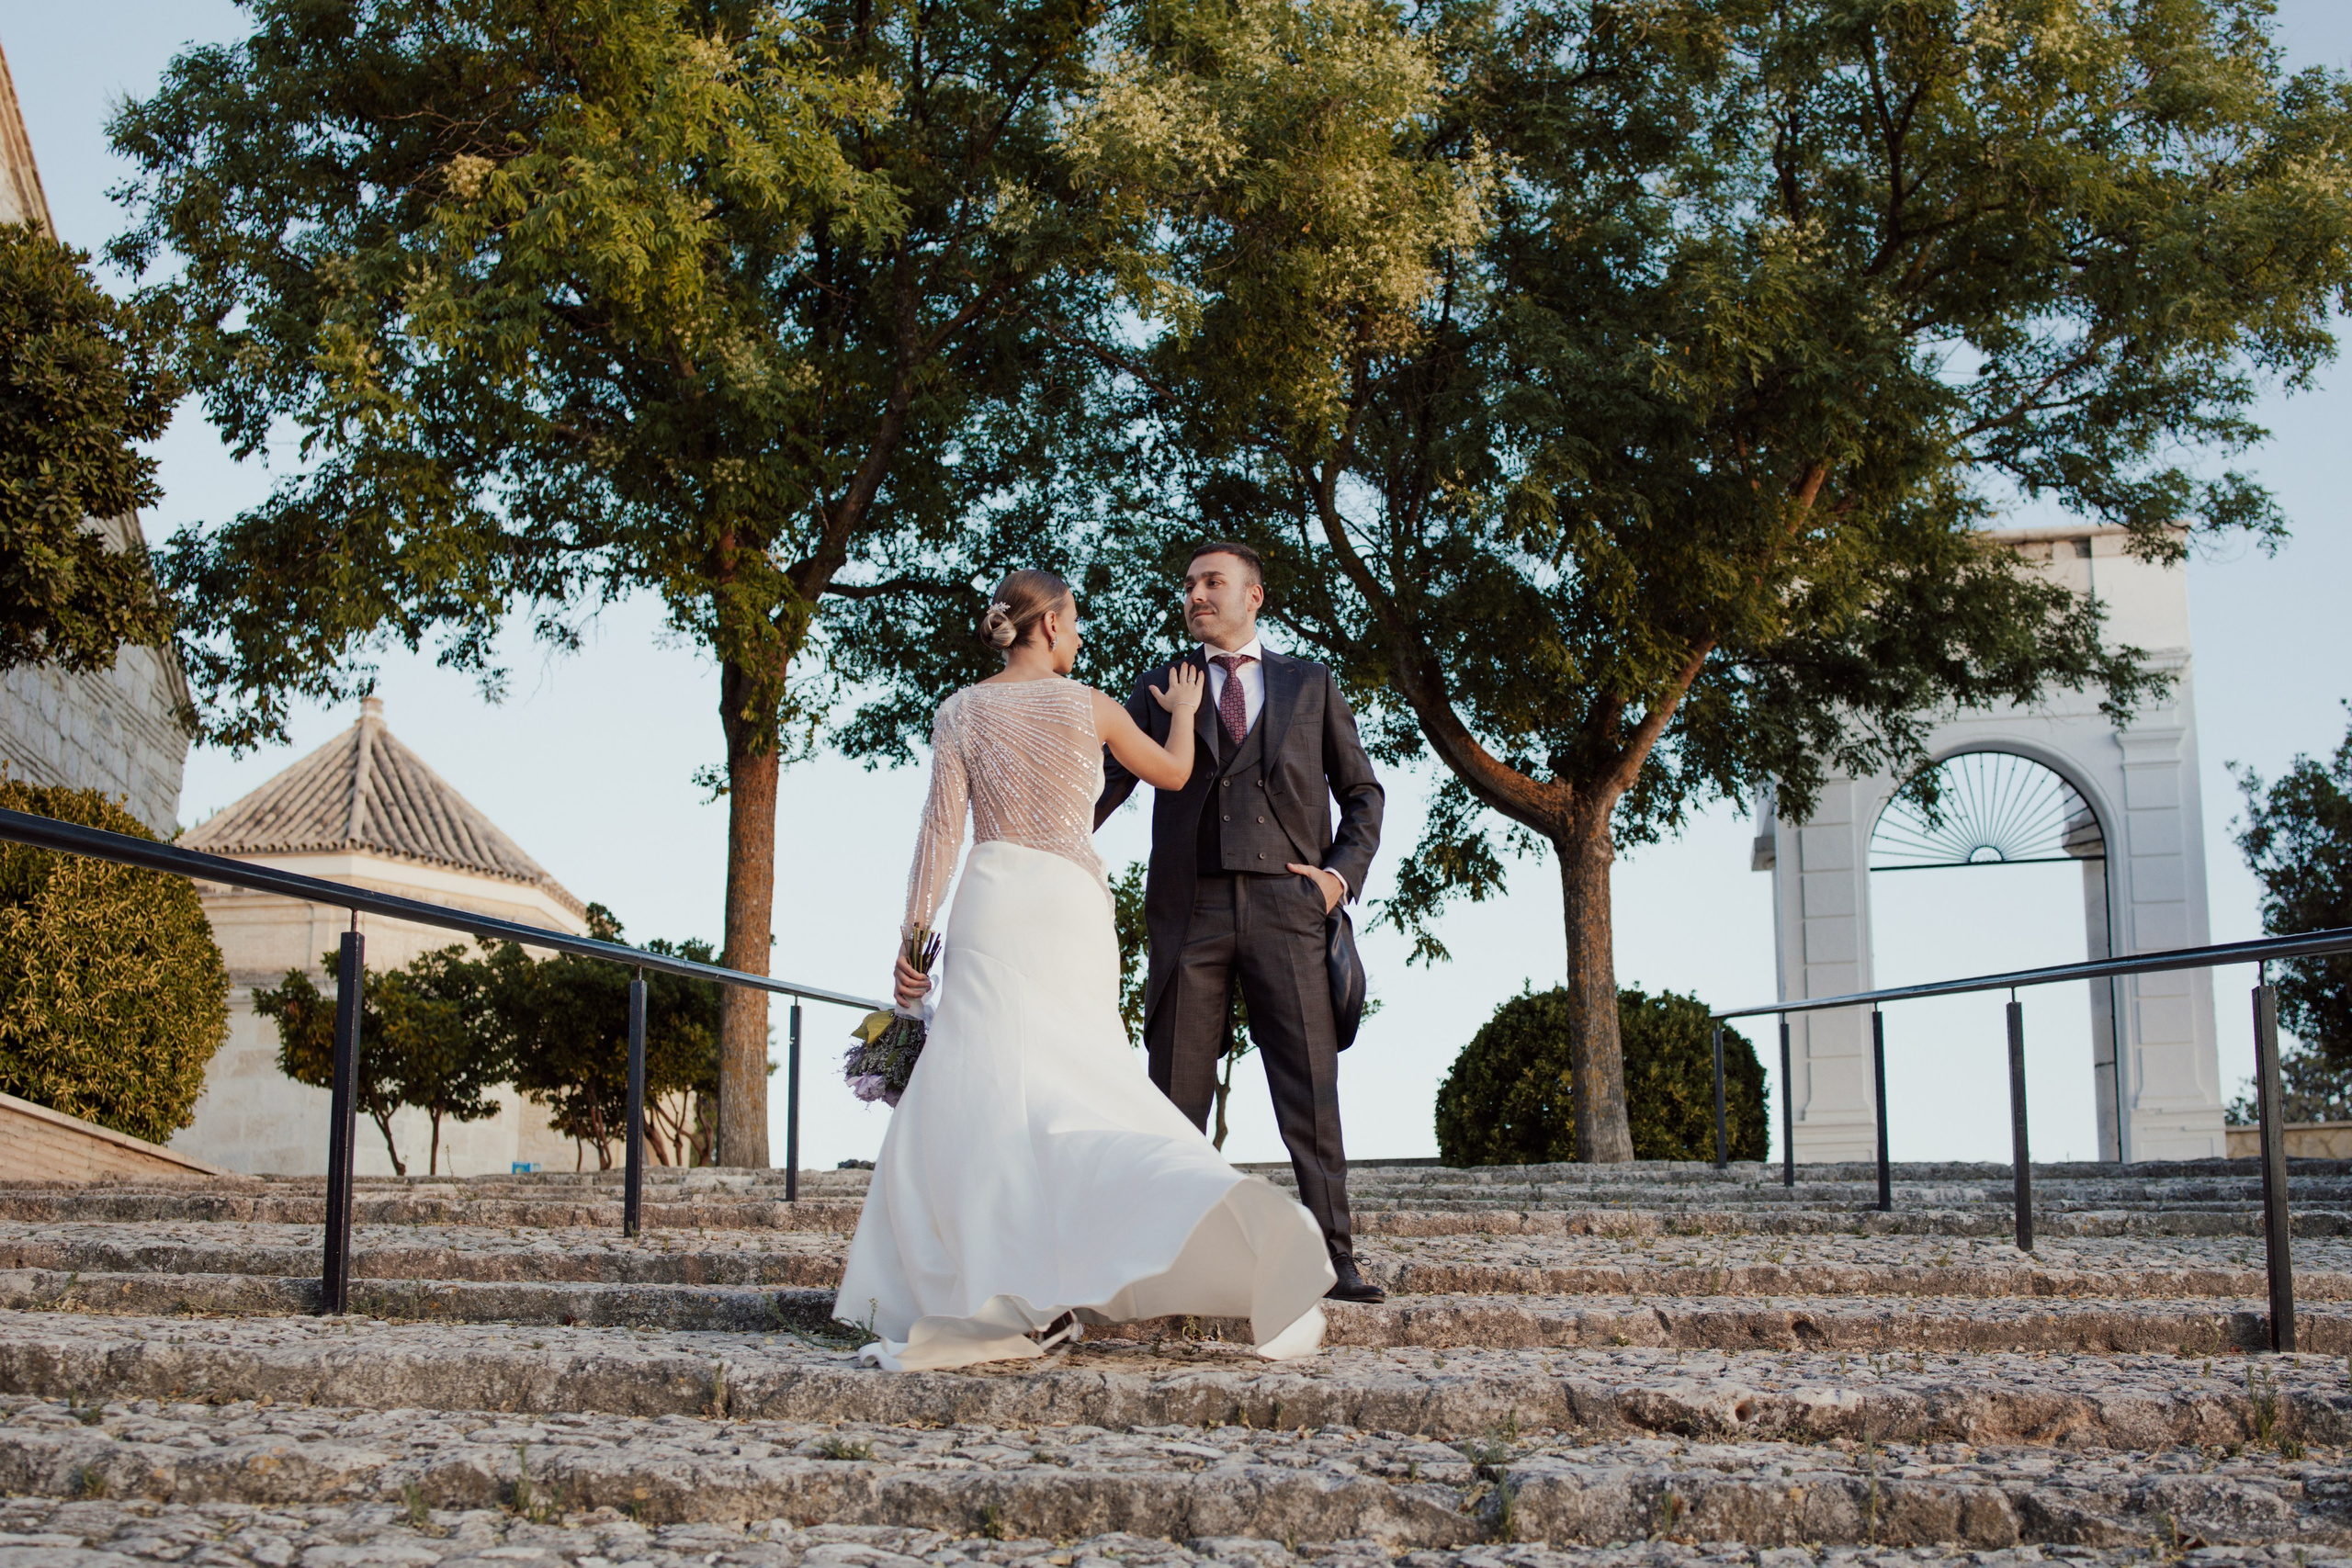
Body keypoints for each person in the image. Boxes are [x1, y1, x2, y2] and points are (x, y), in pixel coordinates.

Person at [835, 568, 1337, 1372]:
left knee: (987, 1090)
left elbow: (939, 834)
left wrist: (914, 944)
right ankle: (1158, 1220)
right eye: (1073, 624)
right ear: (1047, 625)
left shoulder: (960, 710)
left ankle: (1004, 1282)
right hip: (1069, 905)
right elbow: (1175, 774)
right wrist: (1182, 715)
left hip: (993, 896)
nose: (1079, 637)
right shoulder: (1091, 706)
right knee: (1083, 1081)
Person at [1094, 541, 1386, 1304]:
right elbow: (1111, 781)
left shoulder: (1310, 682)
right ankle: (1159, 1262)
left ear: (1254, 596)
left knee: (1309, 1092)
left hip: (1289, 908)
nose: (1195, 594)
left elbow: (1363, 793)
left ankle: (1335, 1260)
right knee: (1173, 1093)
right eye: (1188, 583)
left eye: (1212, 582)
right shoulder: (1161, 682)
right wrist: (1042, 839)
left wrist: (1335, 881)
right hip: (1190, 909)